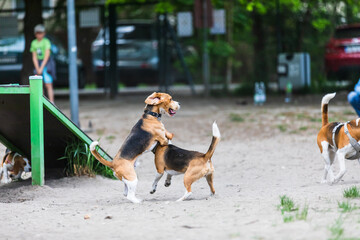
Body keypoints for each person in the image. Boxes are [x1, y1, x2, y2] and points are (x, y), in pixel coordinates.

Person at [30, 24, 55, 103]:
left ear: (44, 33)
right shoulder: (34, 43)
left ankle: (51, 102)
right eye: (37, 33)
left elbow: (47, 55)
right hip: (38, 63)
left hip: (46, 63)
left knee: (48, 83)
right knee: (39, 84)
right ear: (35, 34)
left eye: (41, 33)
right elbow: (34, 57)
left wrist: (41, 68)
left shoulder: (46, 42)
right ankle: (42, 101)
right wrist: (37, 68)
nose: (39, 35)